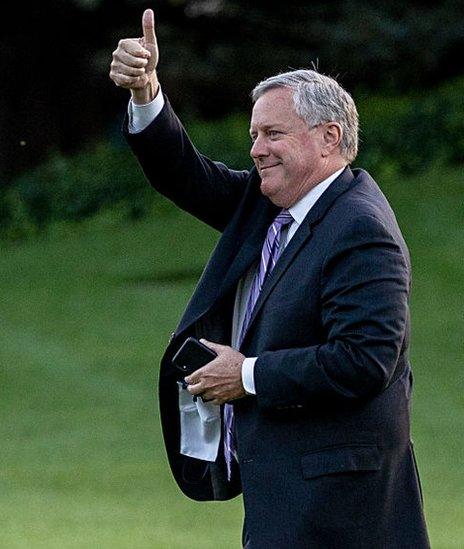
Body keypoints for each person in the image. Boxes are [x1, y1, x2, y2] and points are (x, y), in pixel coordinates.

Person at [110, 9, 429, 548]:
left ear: (329, 138)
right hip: (285, 496)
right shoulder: (267, 206)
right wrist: (146, 93)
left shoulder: (361, 229)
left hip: (340, 514)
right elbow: (183, 173)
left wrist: (248, 375)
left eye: (273, 133)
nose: (256, 148)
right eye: (254, 133)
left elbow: (364, 360)